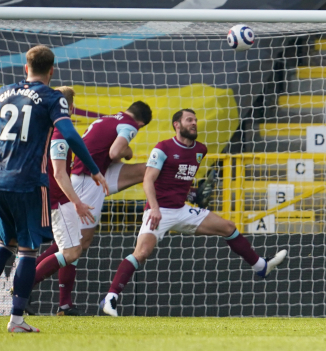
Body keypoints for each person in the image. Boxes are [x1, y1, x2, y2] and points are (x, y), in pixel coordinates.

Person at [0, 45, 107, 333]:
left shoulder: (2, 93)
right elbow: (68, 133)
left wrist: (4, 161)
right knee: (27, 251)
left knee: (3, 244)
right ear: (52, 70)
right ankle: (16, 320)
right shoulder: (52, 97)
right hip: (29, 183)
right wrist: (93, 169)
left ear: (25, 67)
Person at [100, 108, 288, 316]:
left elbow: (177, 182)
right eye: (189, 120)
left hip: (181, 209)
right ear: (177, 125)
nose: (194, 123)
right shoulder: (162, 148)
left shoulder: (200, 150)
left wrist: (193, 194)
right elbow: (148, 180)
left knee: (228, 227)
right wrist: (153, 208)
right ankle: (110, 298)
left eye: (195, 120)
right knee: (142, 252)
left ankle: (260, 266)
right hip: (159, 210)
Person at [34, 99, 152, 313]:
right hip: (88, 179)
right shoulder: (130, 125)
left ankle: (64, 304)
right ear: (142, 123)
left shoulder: (106, 119)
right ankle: (26, 282)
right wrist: (128, 152)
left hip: (91, 175)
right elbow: (115, 153)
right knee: (75, 244)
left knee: (149, 169)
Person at [30, 87, 97, 315]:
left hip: (53, 197)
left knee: (66, 248)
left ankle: (65, 305)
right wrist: (76, 202)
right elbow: (59, 174)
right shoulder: (59, 134)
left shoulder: (45, 130)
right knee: (71, 252)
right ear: (70, 107)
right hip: (58, 199)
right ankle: (23, 286)